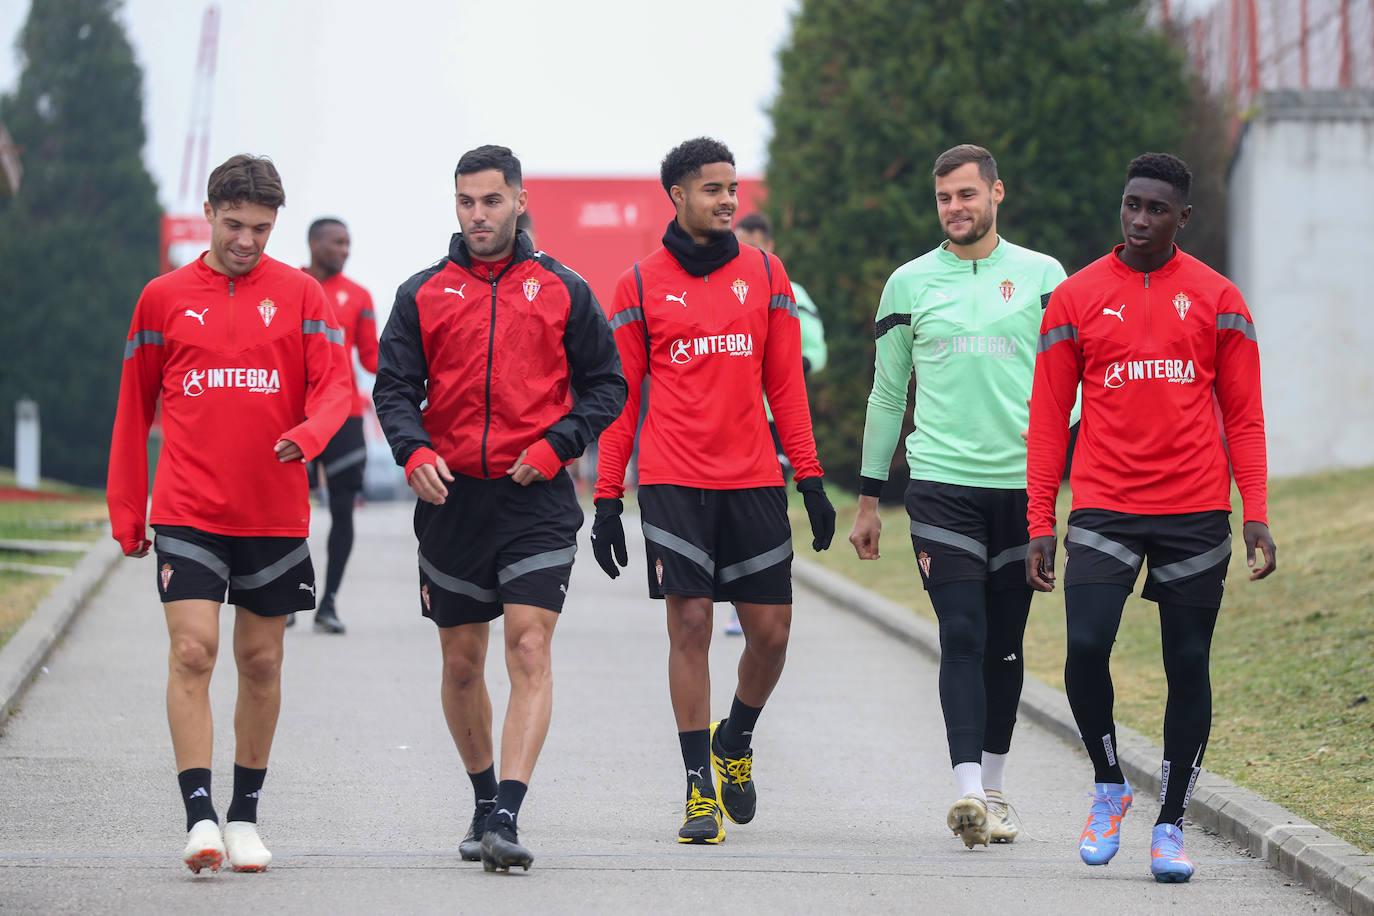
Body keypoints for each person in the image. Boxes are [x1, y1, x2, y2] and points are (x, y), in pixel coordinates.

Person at [1026, 152, 1277, 883]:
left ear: (1183, 219)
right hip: (1103, 504)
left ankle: (1170, 825)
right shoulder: (1074, 298)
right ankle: (1109, 784)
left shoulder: (1219, 299)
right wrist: (1039, 519)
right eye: (1131, 204)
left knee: (1188, 663)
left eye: (1156, 209)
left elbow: (1246, 416)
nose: (1139, 219)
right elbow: (1046, 422)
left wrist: (1253, 507)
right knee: (1084, 645)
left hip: (1196, 509)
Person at [373, 145, 625, 873]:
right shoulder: (421, 293)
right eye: (465, 202)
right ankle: (483, 798)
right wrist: (413, 450)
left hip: (535, 496)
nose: (478, 215)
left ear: (518, 200)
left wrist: (557, 445)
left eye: (490, 200)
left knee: (529, 645)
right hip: (451, 499)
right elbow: (393, 389)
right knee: (461, 663)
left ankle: (508, 813)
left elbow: (606, 385)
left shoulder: (563, 289)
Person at [107, 154, 351, 873]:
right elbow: (133, 407)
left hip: (274, 515)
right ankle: (200, 817)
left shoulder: (304, 295)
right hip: (188, 508)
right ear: (210, 212)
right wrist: (128, 507)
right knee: (193, 652)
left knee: (261, 660)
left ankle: (244, 815)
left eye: (263, 229)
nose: (248, 241)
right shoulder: (162, 297)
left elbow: (336, 389)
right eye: (236, 224)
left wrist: (305, 437)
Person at [590, 137, 836, 845]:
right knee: (691, 624)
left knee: (771, 634)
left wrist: (811, 478)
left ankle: (737, 738)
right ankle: (699, 791)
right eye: (712, 189)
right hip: (672, 481)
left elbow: (785, 384)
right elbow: (621, 399)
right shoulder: (637, 285)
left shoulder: (765, 274)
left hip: (755, 479)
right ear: (677, 195)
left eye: (733, 188)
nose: (728, 200)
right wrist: (608, 499)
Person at [848, 144, 1068, 848]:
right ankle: (968, 791)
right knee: (962, 633)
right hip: (940, 487)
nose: (955, 208)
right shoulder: (909, 285)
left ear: (997, 192)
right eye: (945, 197)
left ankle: (997, 789)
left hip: (1022, 491)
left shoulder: (1042, 278)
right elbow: (888, 395)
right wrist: (867, 497)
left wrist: (1057, 466)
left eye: (967, 194)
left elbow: (1072, 389)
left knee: (1005, 642)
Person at [724, 212, 828, 637]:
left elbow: (817, 348)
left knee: (768, 507)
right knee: (733, 508)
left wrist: (792, 365)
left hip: (777, 420)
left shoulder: (792, 291)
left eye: (749, 243)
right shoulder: (726, 287)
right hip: (737, 419)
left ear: (767, 243)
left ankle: (758, 590)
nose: (742, 252)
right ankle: (736, 597)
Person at [291, 217, 378, 634]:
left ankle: (328, 604)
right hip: (296, 415)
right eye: (337, 242)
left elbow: (372, 358)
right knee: (290, 510)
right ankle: (288, 597)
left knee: (343, 512)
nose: (344, 249)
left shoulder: (359, 296)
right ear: (313, 243)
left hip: (345, 417)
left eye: (349, 242)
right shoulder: (288, 287)